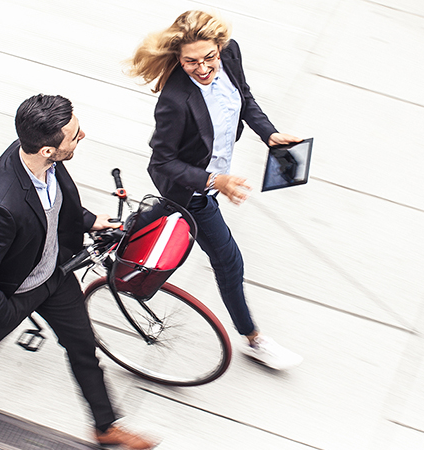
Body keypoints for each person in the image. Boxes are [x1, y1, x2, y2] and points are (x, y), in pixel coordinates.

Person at [0, 94, 156, 450]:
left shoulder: (41, 156)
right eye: (75, 135)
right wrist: (4, 313)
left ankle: (105, 427)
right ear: (47, 149)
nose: (83, 137)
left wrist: (90, 221)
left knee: (82, 347)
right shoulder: (1, 206)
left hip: (55, 274)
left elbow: (60, 202)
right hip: (15, 290)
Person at [127, 11, 303, 370]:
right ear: (178, 58)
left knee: (154, 220)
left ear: (221, 47)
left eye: (210, 57)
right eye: (191, 61)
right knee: (228, 260)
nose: (203, 67)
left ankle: (116, 240)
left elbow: (245, 99)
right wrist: (214, 181)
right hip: (192, 189)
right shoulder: (175, 101)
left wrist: (268, 133)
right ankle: (254, 339)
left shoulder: (232, 54)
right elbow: (160, 163)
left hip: (205, 180)